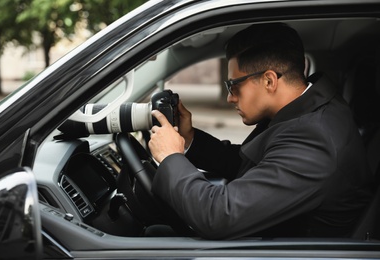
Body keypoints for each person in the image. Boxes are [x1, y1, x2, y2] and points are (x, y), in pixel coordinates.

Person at [148, 23, 374, 239]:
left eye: (233, 85)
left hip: (290, 254)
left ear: (269, 81)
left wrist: (171, 157)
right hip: (270, 239)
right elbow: (253, 163)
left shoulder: (315, 140)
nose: (230, 97)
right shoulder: (303, 111)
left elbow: (219, 216)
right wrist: (189, 138)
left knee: (151, 237)